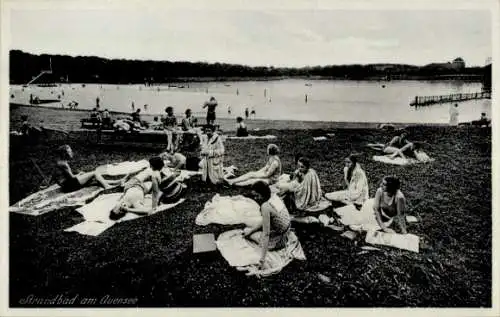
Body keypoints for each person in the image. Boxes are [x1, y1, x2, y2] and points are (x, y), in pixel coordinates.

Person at [109, 156, 185, 220]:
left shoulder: (120, 201)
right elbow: (148, 210)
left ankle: (168, 174)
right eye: (119, 210)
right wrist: (128, 209)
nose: (118, 206)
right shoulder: (135, 204)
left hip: (132, 184)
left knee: (150, 172)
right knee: (156, 178)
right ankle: (170, 177)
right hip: (142, 187)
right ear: (122, 211)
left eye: (115, 207)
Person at [243, 181, 292, 268]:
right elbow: (268, 219)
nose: (255, 199)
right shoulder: (273, 196)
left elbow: (266, 234)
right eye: (254, 196)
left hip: (279, 238)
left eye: (257, 196)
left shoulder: (265, 206)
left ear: (263, 194)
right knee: (251, 226)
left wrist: (262, 259)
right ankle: (252, 230)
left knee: (251, 235)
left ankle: (270, 245)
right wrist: (252, 229)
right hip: (286, 229)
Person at [53, 145, 120, 193]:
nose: (72, 153)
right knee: (94, 173)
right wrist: (79, 174)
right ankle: (107, 187)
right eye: (70, 152)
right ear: (64, 153)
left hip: (66, 186)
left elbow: (55, 177)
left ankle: (116, 182)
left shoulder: (59, 161)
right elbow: (72, 178)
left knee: (93, 180)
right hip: (69, 186)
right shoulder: (64, 164)